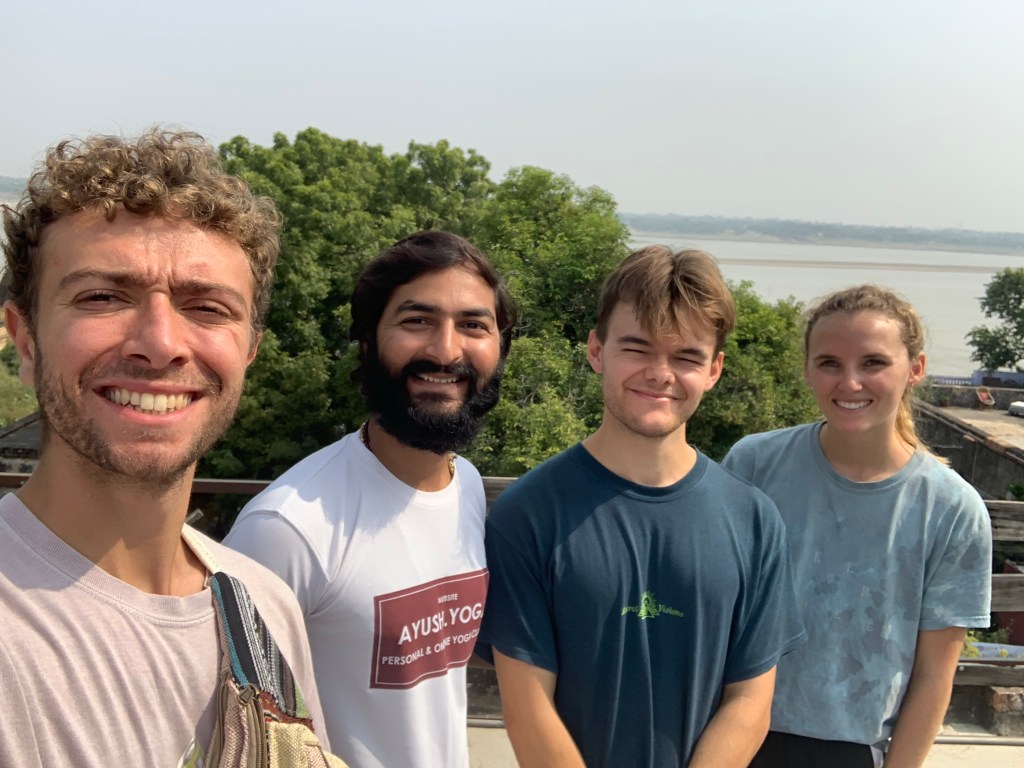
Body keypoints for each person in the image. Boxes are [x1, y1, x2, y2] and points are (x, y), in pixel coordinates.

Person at [0, 129, 329, 767]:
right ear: (25, 338)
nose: (160, 342)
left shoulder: (263, 607)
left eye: (206, 308)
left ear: (249, 352)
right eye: (102, 296)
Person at [477, 245, 805, 768]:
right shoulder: (527, 515)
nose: (660, 373)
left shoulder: (754, 520)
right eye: (637, 348)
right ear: (596, 351)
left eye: (686, 357)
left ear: (714, 369)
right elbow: (526, 706)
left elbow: (750, 701)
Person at [225, 231, 517, 768]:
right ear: (367, 341)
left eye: (473, 325)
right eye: (416, 321)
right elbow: (231, 729)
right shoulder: (288, 527)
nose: (446, 349)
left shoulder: (467, 486)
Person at [723, 284, 992, 768]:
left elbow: (934, 675)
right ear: (807, 370)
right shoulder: (753, 463)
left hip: (853, 750)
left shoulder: (952, 507)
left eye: (873, 363)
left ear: (915, 369)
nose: (850, 383)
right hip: (731, 734)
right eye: (829, 363)